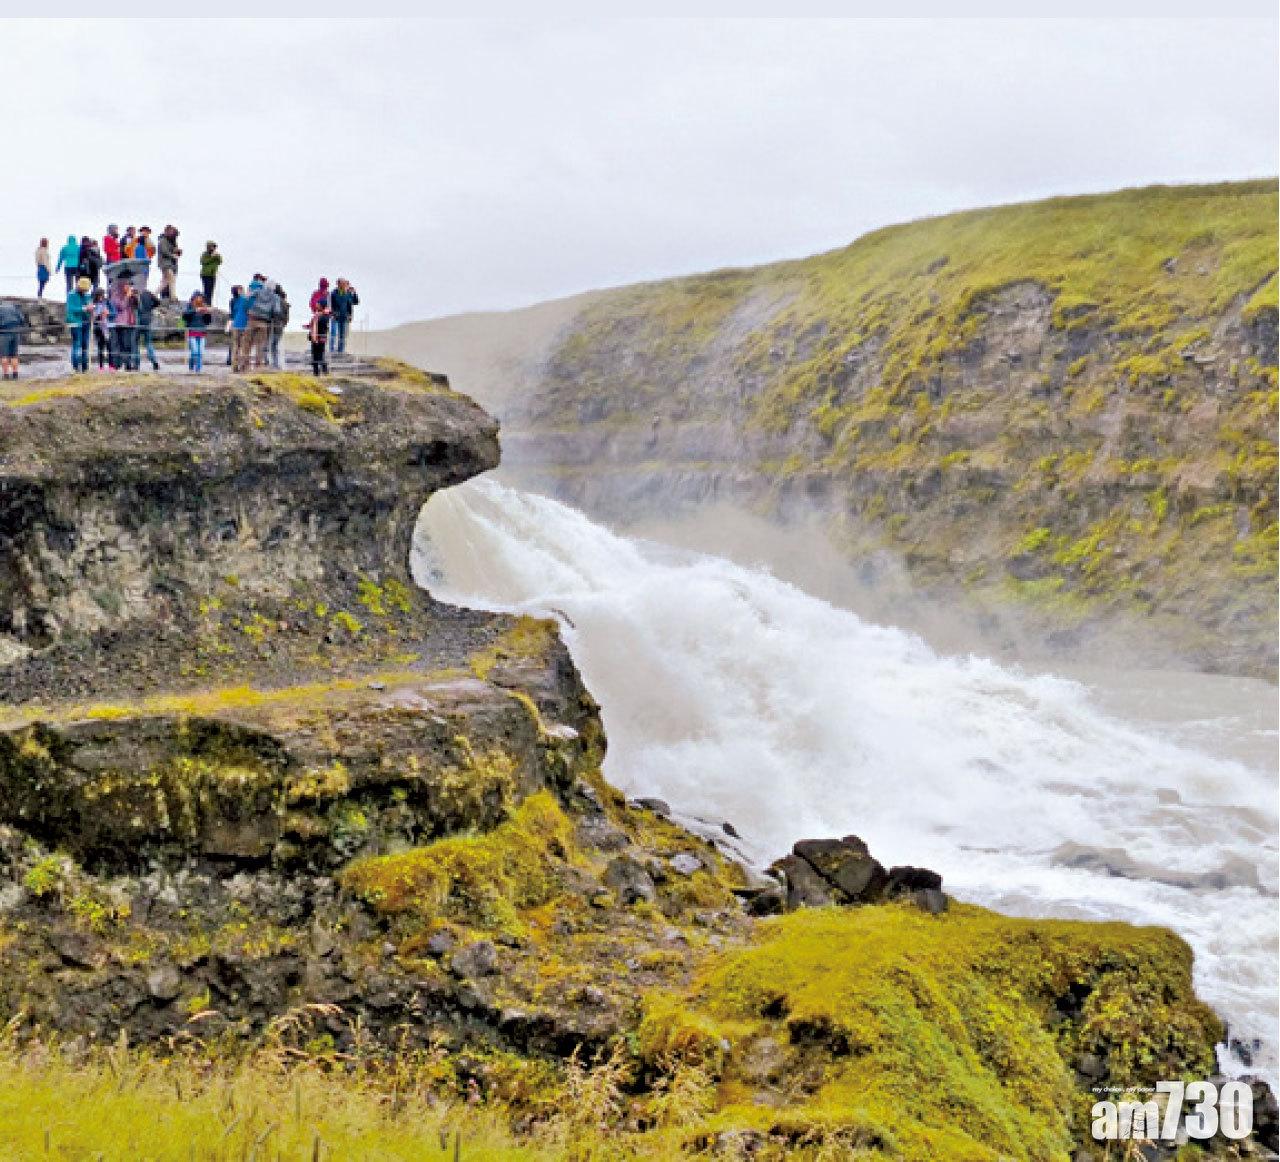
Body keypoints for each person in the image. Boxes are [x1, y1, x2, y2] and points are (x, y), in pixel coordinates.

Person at [245, 277, 280, 370]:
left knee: (247, 343)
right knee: (260, 345)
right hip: (264, 322)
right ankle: (258, 366)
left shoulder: (258, 291)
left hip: (252, 319)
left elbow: (247, 298)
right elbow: (277, 311)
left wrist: (249, 309)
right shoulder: (275, 297)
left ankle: (245, 365)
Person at [66, 276, 92, 373]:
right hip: (75, 323)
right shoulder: (71, 295)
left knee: (85, 345)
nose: (85, 291)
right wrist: (84, 308)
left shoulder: (87, 295)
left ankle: (85, 367)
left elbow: (88, 306)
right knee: (77, 344)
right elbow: (71, 309)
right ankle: (75, 367)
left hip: (86, 322)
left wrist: (91, 309)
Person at [183, 294, 212, 372]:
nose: (199, 299)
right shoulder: (190, 306)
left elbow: (208, 322)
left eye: (201, 298)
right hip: (192, 332)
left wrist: (207, 313)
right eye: (197, 298)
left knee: (200, 352)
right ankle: (191, 365)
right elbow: (184, 315)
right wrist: (195, 310)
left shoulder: (204, 307)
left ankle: (198, 369)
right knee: (194, 351)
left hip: (202, 332)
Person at [328, 279, 359, 354]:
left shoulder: (348, 293)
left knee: (342, 335)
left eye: (345, 284)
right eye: (343, 284)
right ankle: (331, 350)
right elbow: (331, 304)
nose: (344, 285)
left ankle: (341, 350)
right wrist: (333, 313)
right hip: (335, 317)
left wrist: (354, 293)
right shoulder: (334, 293)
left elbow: (355, 302)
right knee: (333, 333)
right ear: (338, 284)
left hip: (344, 317)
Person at [136, 284, 161, 371]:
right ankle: (154, 361)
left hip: (137, 320)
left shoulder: (134, 293)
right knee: (148, 343)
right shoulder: (148, 293)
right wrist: (150, 308)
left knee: (136, 343)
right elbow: (158, 302)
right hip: (147, 320)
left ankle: (136, 363)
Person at [0, 298, 26, 380]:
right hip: (16, 333)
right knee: (14, 355)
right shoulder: (14, 307)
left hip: (4, 333)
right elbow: (22, 320)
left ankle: (6, 375)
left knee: (4, 355)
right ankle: (15, 375)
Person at [229, 284, 252, 372]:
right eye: (241, 290)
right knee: (244, 346)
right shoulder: (244, 299)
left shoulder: (233, 301)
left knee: (235, 346)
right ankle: (243, 366)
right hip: (243, 324)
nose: (243, 291)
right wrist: (248, 297)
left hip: (235, 324)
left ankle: (234, 366)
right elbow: (249, 307)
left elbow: (233, 312)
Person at [157, 225, 182, 300]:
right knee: (171, 279)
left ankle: (154, 294)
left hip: (171, 264)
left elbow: (172, 250)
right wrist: (173, 255)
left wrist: (177, 251)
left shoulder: (172, 241)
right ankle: (173, 297)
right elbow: (164, 251)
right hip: (165, 264)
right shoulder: (163, 240)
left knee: (165, 281)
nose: (175, 236)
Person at [268, 285, 290, 369]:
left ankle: (274, 364)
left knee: (272, 345)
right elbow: (287, 317)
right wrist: (283, 324)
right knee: (276, 344)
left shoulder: (274, 301)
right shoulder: (285, 303)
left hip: (273, 325)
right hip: (280, 326)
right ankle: (277, 364)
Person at [90, 289, 112, 370]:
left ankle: (111, 366)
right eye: (100, 295)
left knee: (109, 347)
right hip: (98, 327)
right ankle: (101, 366)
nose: (102, 297)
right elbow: (93, 317)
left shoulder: (106, 303)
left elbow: (112, 312)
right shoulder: (93, 304)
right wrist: (99, 315)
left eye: (103, 295)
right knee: (100, 347)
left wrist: (107, 313)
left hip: (106, 327)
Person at [308, 300, 331, 376]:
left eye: (318, 304)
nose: (316, 305)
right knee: (315, 356)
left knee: (319, 356)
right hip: (317, 337)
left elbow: (321, 325)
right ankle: (317, 372)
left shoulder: (324, 316)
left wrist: (315, 320)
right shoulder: (319, 315)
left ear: (321, 306)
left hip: (320, 337)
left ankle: (323, 371)